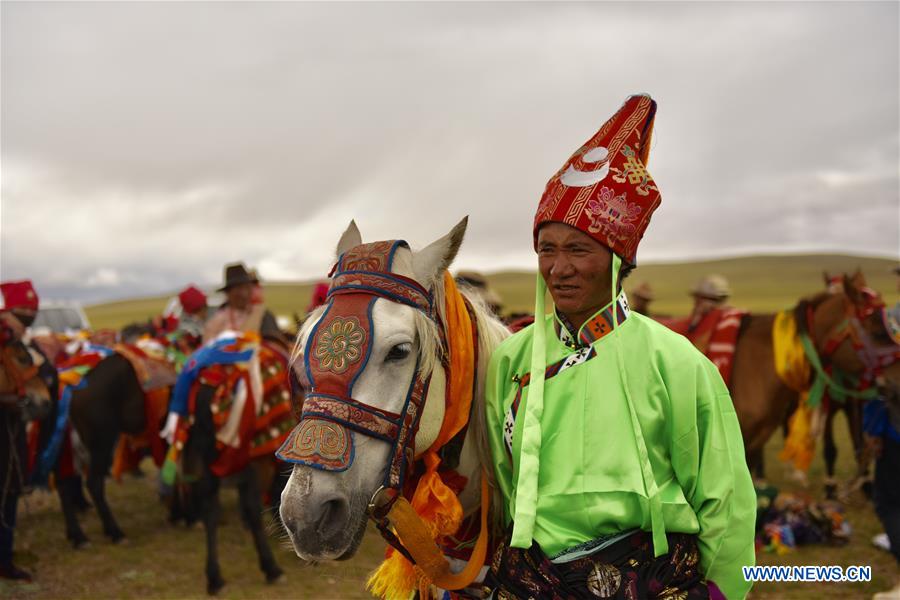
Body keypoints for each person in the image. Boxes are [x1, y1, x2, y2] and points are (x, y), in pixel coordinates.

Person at [484, 94, 756, 599]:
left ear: (616, 260)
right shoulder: (511, 360)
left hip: (648, 579)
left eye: (578, 249)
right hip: (531, 581)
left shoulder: (675, 362)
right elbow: (500, 484)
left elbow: (726, 498)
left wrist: (723, 591)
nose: (559, 268)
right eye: (547, 249)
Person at [0, 280, 55, 582]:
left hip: (11, 427)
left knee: (9, 492)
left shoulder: (17, 343)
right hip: (5, 421)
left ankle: (4, 559)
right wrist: (10, 401)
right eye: (23, 316)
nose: (27, 322)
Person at [202, 263, 286, 347]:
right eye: (239, 288)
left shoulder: (264, 315)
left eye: (247, 287)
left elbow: (276, 346)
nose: (244, 293)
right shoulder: (216, 323)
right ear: (228, 293)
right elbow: (208, 351)